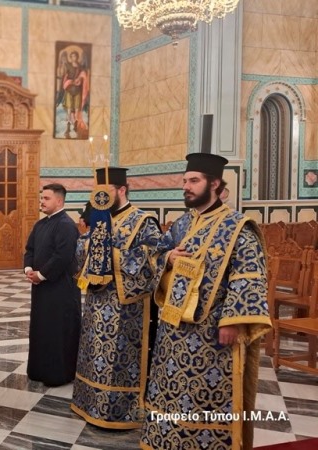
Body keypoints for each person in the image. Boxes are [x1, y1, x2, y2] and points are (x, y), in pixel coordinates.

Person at [141, 153, 271, 450]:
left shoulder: (238, 226)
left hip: (212, 333)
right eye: (185, 181)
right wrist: (168, 258)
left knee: (206, 394)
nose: (186, 186)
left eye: (194, 181)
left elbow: (249, 275)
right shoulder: (182, 224)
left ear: (214, 184)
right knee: (171, 389)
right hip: (173, 330)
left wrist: (233, 322)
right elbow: (156, 255)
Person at [70, 167, 164, 429]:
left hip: (126, 308)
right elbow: (81, 251)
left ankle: (120, 411)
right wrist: (89, 246)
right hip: (96, 302)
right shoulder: (100, 219)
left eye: (106, 190)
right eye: (97, 190)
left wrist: (111, 255)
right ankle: (89, 403)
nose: (100, 195)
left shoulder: (143, 220)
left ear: (122, 190)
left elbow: (154, 256)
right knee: (92, 352)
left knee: (117, 359)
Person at [23, 183, 81, 386]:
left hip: (60, 289)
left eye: (46, 198)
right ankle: (39, 370)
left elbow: (62, 256)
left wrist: (41, 274)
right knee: (41, 328)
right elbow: (30, 249)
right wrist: (28, 269)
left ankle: (58, 374)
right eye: (42, 198)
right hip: (41, 288)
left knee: (58, 330)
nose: (42, 202)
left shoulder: (66, 225)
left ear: (59, 201)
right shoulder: (40, 225)